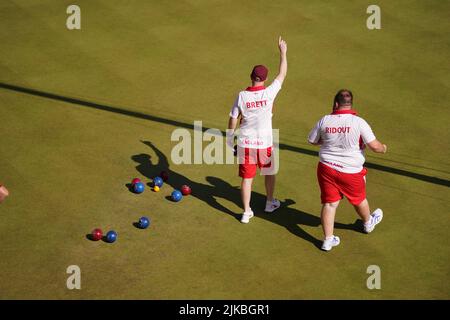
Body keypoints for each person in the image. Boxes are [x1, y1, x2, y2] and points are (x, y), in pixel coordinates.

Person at [308, 89, 387, 251]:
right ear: (350, 104)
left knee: (330, 204)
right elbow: (375, 147)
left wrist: (327, 142)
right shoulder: (359, 122)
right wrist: (384, 148)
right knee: (359, 199)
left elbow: (312, 140)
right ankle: (367, 223)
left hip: (326, 169)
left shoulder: (325, 120)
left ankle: (328, 240)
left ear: (336, 104)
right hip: (351, 172)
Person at [227, 36, 287, 224]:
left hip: (245, 143)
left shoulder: (242, 96)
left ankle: (246, 212)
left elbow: (233, 118)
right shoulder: (269, 92)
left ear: (251, 77)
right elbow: (282, 74)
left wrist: (230, 139)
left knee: (247, 179)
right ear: (265, 79)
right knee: (269, 173)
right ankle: (269, 202)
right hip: (265, 144)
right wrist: (283, 52)